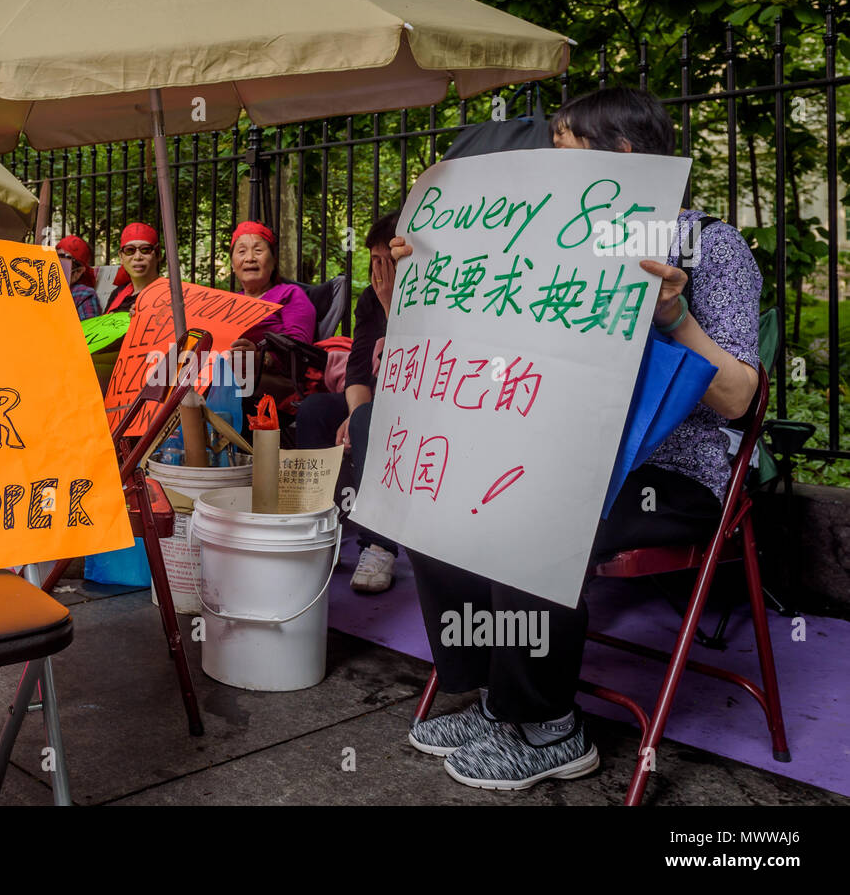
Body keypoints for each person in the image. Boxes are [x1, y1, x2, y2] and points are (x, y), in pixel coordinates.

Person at [396, 86, 761, 790]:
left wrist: (674, 314)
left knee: (529, 513)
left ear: (622, 156)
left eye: (564, 154)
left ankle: (551, 728)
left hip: (670, 470)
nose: (547, 173)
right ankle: (496, 696)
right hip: (565, 441)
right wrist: (432, 274)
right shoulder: (554, 239)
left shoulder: (711, 246)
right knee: (440, 500)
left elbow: (740, 399)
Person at [295, 212, 401, 592]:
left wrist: (393, 307)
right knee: (315, 411)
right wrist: (354, 413)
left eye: (389, 261)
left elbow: (411, 367)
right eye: (374, 261)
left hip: (412, 405)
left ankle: (379, 544)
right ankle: (320, 528)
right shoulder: (369, 299)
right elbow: (358, 369)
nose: (380, 272)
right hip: (370, 401)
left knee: (368, 419)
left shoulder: (430, 296)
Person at [227, 221, 315, 351]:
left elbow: (299, 347)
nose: (250, 258)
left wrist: (261, 359)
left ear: (274, 261)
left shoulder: (289, 294)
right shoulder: (227, 302)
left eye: (258, 251)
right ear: (233, 265)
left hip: (266, 370)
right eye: (242, 251)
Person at [104, 222, 162, 313]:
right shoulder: (118, 293)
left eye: (145, 249)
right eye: (130, 250)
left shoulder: (168, 294)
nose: (137, 257)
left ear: (158, 255)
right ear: (121, 257)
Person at [57, 234, 102, 320]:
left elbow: (89, 330)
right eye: (55, 256)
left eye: (63, 258)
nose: (56, 262)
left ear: (78, 272)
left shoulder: (84, 295)